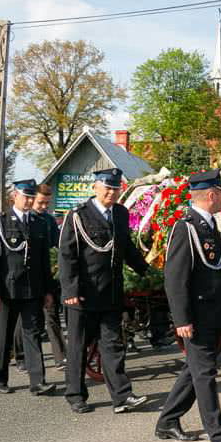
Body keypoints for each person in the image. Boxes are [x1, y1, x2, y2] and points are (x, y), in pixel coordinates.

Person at [155, 169, 221, 442]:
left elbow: (219, 276)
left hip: (211, 314)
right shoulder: (186, 228)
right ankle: (220, 438)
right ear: (211, 195)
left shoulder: (208, 226)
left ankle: (167, 421)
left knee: (195, 371)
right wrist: (181, 319)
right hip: (194, 316)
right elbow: (175, 278)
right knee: (205, 374)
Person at [59, 168, 150, 414]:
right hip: (83, 295)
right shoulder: (78, 215)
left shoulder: (120, 213)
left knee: (112, 346)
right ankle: (76, 395)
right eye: (107, 188)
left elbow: (127, 248)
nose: (111, 193)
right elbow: (67, 256)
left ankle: (122, 396)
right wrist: (70, 289)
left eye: (115, 188)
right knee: (79, 346)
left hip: (110, 292)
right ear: (95, 188)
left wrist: (146, 271)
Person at [0, 179, 56, 396]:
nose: (29, 201)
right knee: (3, 336)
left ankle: (38, 382)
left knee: (33, 334)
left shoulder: (38, 222)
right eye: (26, 196)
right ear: (15, 195)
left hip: (33, 289)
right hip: (7, 290)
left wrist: (48, 290)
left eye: (31, 197)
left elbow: (44, 260)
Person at [33, 184, 67, 370]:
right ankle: (20, 355)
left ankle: (60, 356)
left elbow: (56, 246)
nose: (44, 206)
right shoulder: (24, 219)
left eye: (47, 203)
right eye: (41, 202)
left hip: (48, 275)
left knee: (52, 315)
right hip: (29, 278)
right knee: (28, 321)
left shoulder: (49, 220)